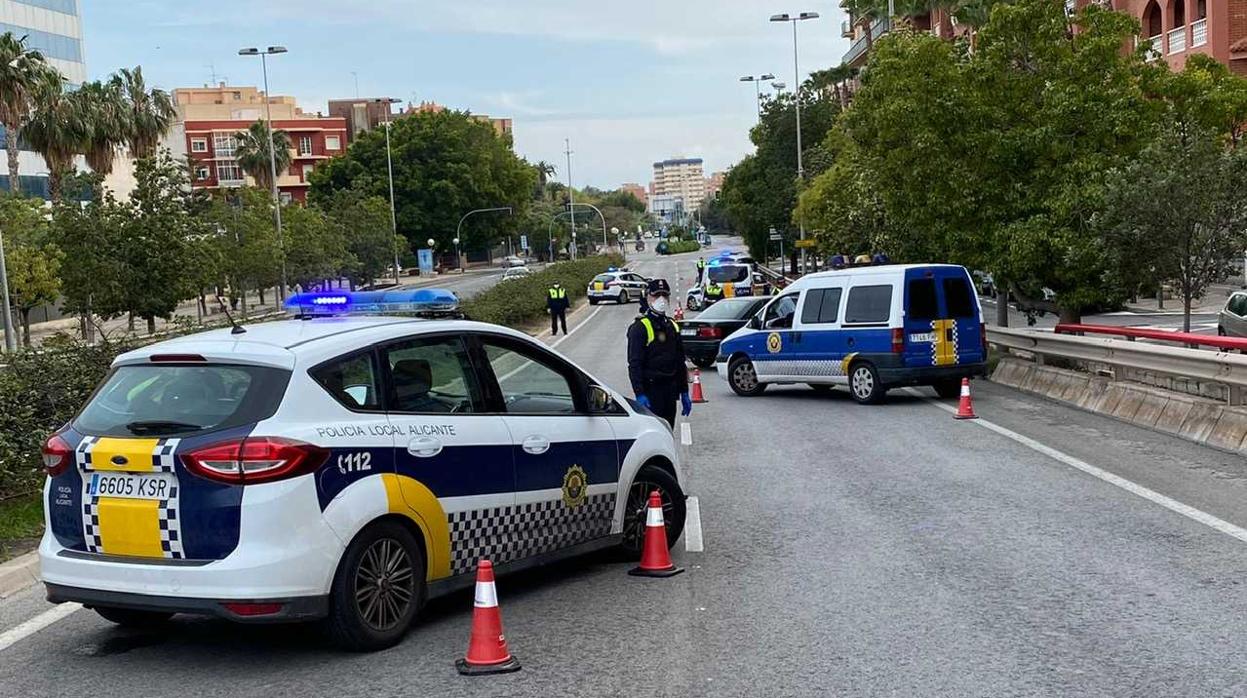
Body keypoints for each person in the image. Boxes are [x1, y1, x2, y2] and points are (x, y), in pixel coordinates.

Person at [627, 279, 692, 429]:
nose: (661, 299)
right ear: (648, 297)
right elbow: (634, 364)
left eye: (664, 295)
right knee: (654, 436)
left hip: (670, 391)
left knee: (668, 432)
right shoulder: (640, 327)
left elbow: (679, 362)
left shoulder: (672, 325)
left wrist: (684, 391)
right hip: (651, 393)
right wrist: (640, 393)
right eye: (656, 295)